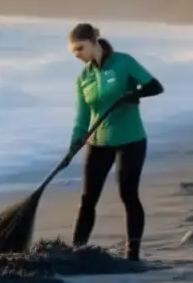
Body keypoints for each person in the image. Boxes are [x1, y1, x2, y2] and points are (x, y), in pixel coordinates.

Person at [66, 23, 164, 262]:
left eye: (80, 48)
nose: (77, 55)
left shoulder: (124, 63)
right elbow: (81, 118)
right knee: (87, 200)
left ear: (94, 41)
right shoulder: (84, 77)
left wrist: (131, 95)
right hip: (98, 143)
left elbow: (155, 86)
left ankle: (133, 255)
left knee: (128, 194)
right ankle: (76, 253)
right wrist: (72, 146)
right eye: (73, 51)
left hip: (130, 140)